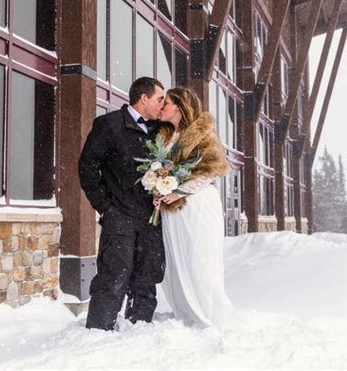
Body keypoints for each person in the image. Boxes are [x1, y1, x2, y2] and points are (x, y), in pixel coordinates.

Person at [79, 76, 166, 331]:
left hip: (151, 220)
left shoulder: (159, 131)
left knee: (147, 275)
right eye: (160, 99)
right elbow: (87, 167)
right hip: (120, 217)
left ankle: (139, 329)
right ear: (144, 98)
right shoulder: (109, 125)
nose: (163, 105)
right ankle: (98, 331)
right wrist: (105, 206)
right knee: (114, 273)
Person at [157, 87, 233, 328]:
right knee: (178, 259)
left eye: (166, 103)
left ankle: (209, 312)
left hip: (198, 205)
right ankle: (186, 311)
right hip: (173, 212)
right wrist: (158, 186)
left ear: (179, 107)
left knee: (200, 257)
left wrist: (179, 190)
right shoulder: (164, 136)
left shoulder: (202, 134)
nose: (161, 107)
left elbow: (210, 172)